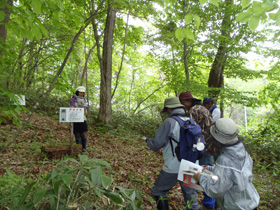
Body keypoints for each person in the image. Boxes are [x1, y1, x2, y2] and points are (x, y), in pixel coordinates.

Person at [145, 97, 201, 210]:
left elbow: (156, 144)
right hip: (192, 163)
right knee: (191, 198)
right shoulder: (191, 120)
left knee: (158, 191)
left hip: (174, 165)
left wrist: (147, 141)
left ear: (169, 109)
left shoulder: (169, 122)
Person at [193, 118, 260, 210]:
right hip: (249, 201)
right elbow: (233, 172)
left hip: (236, 206)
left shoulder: (224, 159)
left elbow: (215, 190)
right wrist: (211, 168)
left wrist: (200, 177)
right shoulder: (242, 151)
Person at [179, 92, 217, 209]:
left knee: (198, 173)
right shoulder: (203, 108)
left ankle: (199, 204)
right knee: (209, 173)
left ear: (187, 101)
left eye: (183, 103)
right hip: (210, 146)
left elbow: (191, 132)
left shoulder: (193, 111)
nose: (182, 105)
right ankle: (210, 202)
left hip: (201, 148)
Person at [69, 86, 88, 153]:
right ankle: (78, 149)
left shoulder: (84, 100)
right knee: (77, 135)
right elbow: (72, 107)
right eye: (80, 92)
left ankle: (84, 148)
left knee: (83, 135)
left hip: (83, 119)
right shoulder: (73, 99)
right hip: (75, 119)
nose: (81, 94)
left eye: (83, 93)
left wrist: (86, 112)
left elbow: (86, 108)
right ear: (77, 92)